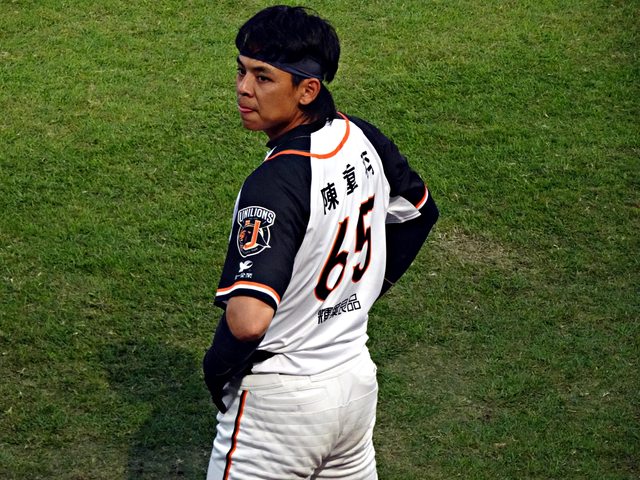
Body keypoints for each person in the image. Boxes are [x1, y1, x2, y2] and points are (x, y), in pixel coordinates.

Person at [202, 5, 439, 479]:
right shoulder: (360, 137)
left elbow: (248, 321)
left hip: (279, 410)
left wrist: (216, 367)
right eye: (241, 71)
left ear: (307, 90)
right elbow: (419, 212)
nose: (244, 88)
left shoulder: (274, 184)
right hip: (353, 384)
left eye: (263, 77)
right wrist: (359, 294)